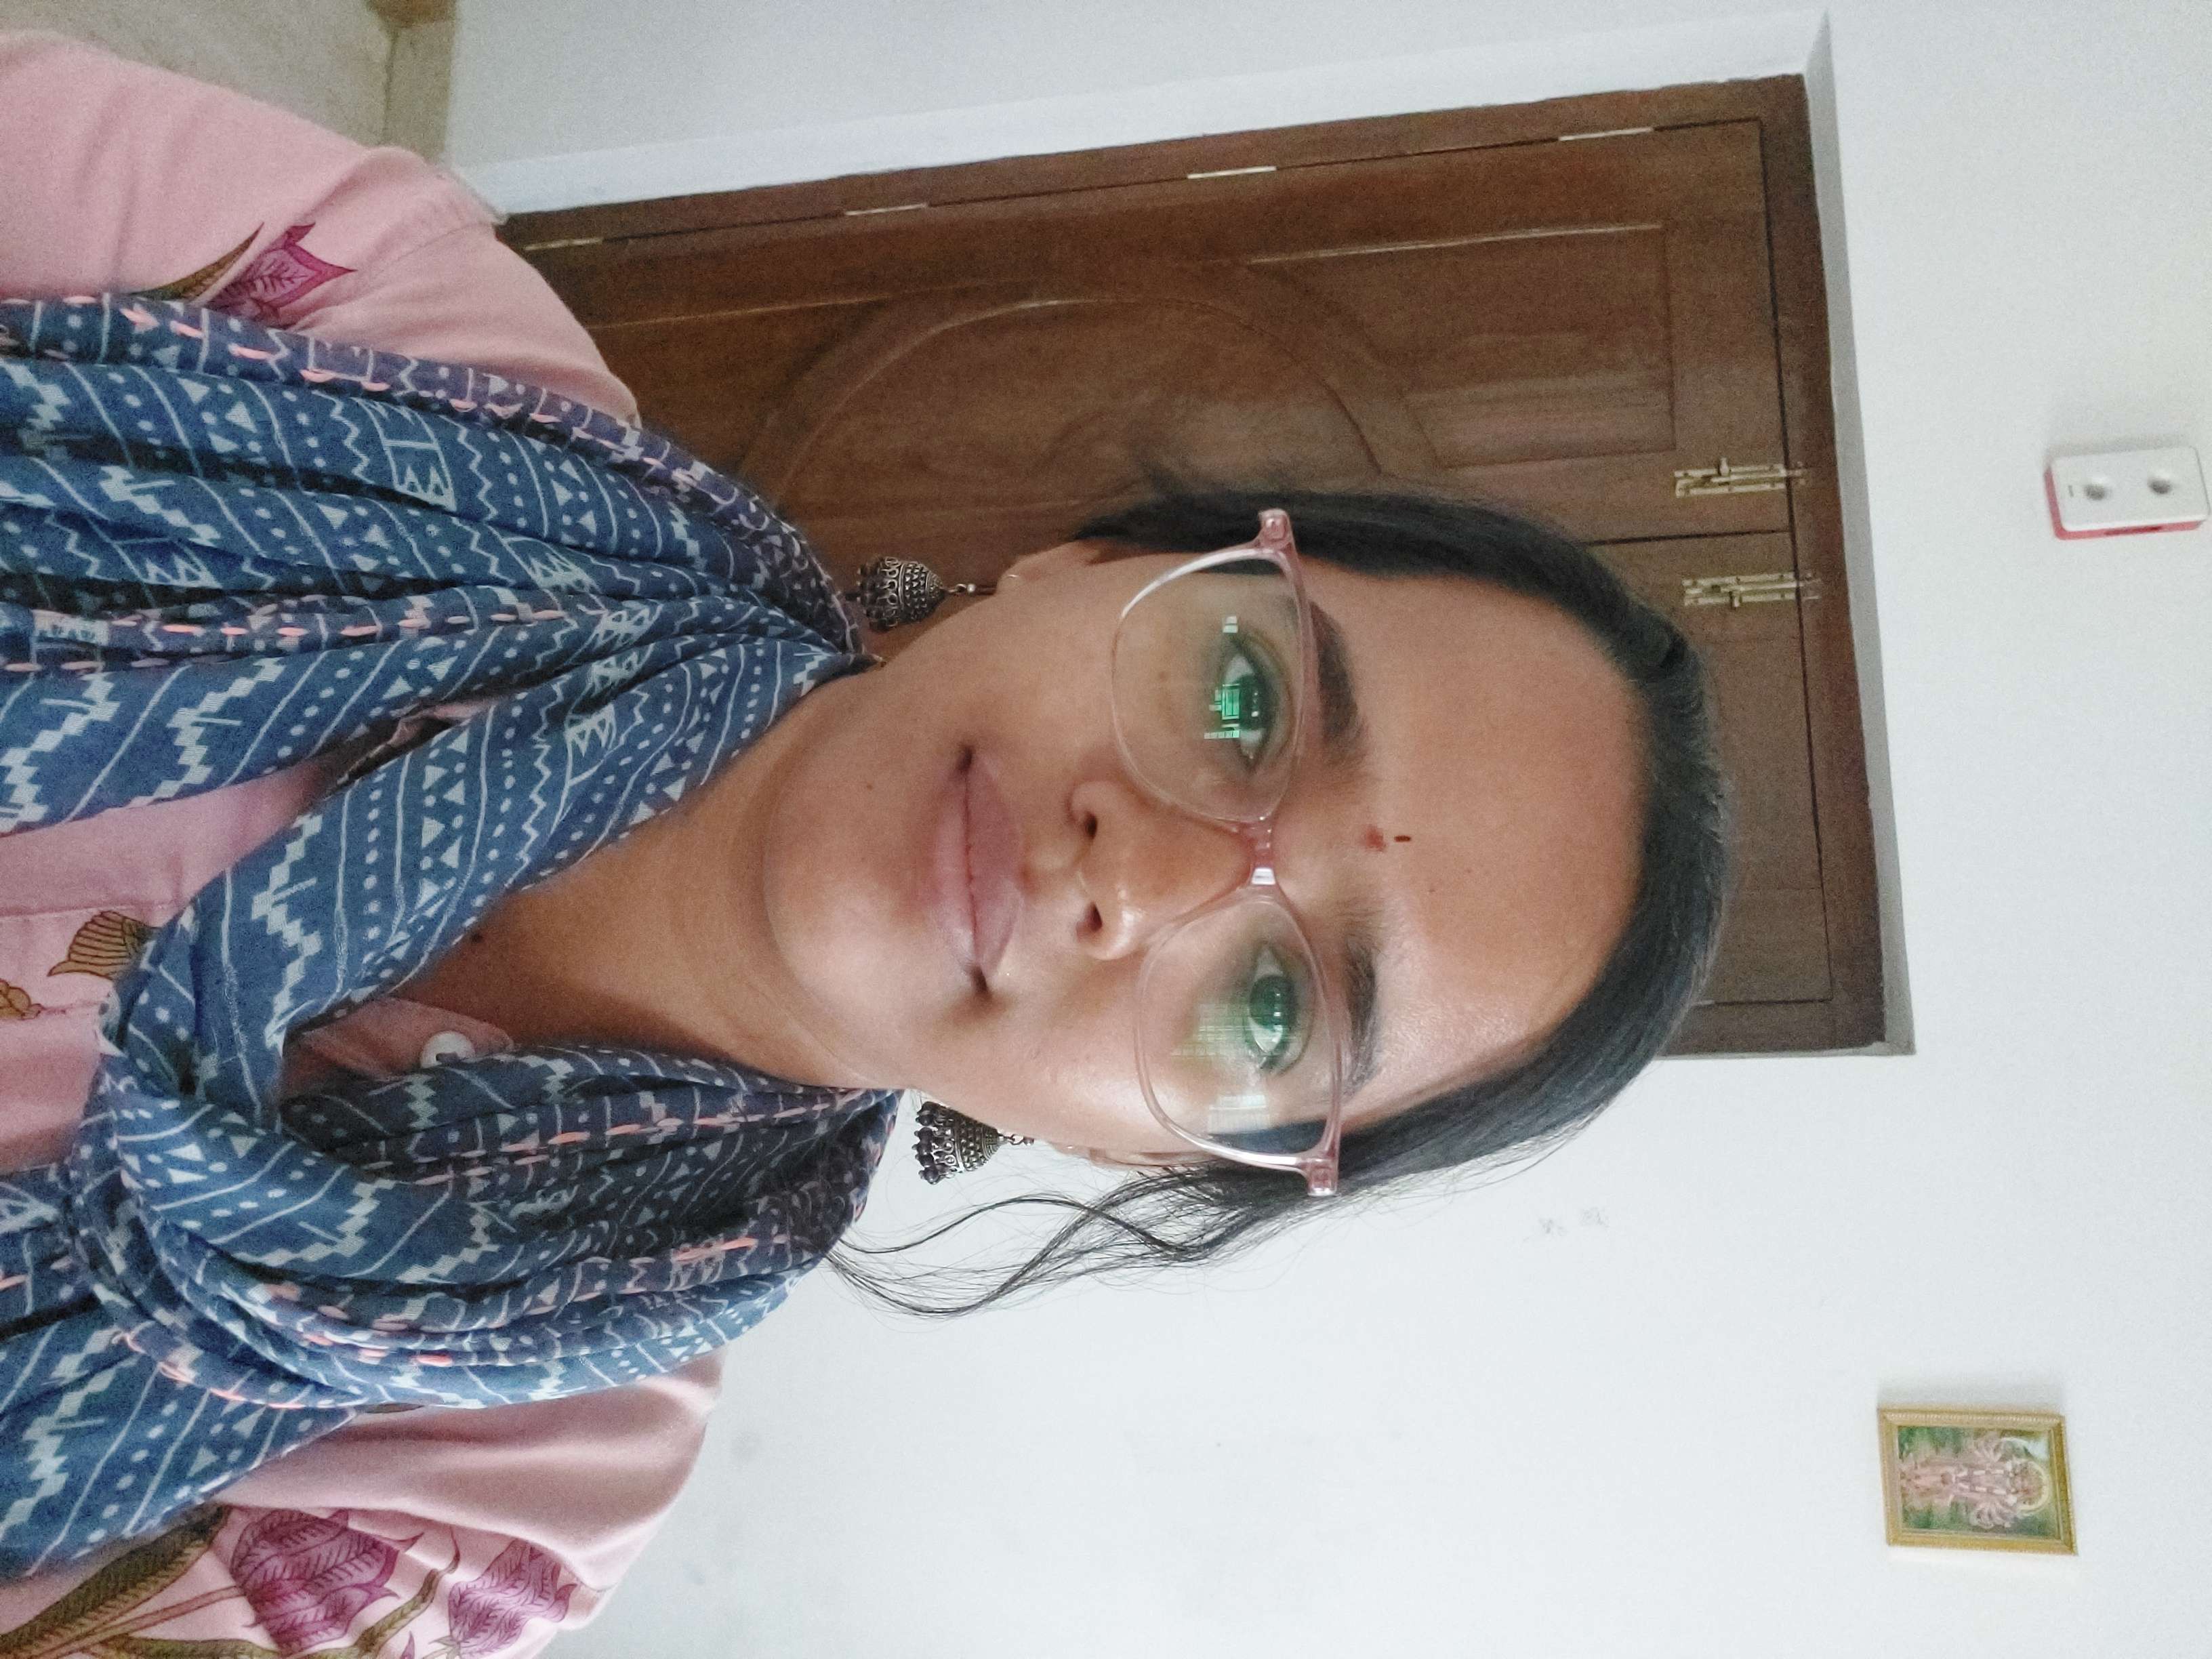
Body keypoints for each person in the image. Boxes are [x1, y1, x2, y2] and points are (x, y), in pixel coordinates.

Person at [0, 29, 1726, 1658]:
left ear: (1135, 1153)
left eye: (1274, 1011)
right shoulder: (376, 321)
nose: (1142, 879)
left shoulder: (479, 1497)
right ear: (1082, 563)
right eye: (1244, 699)